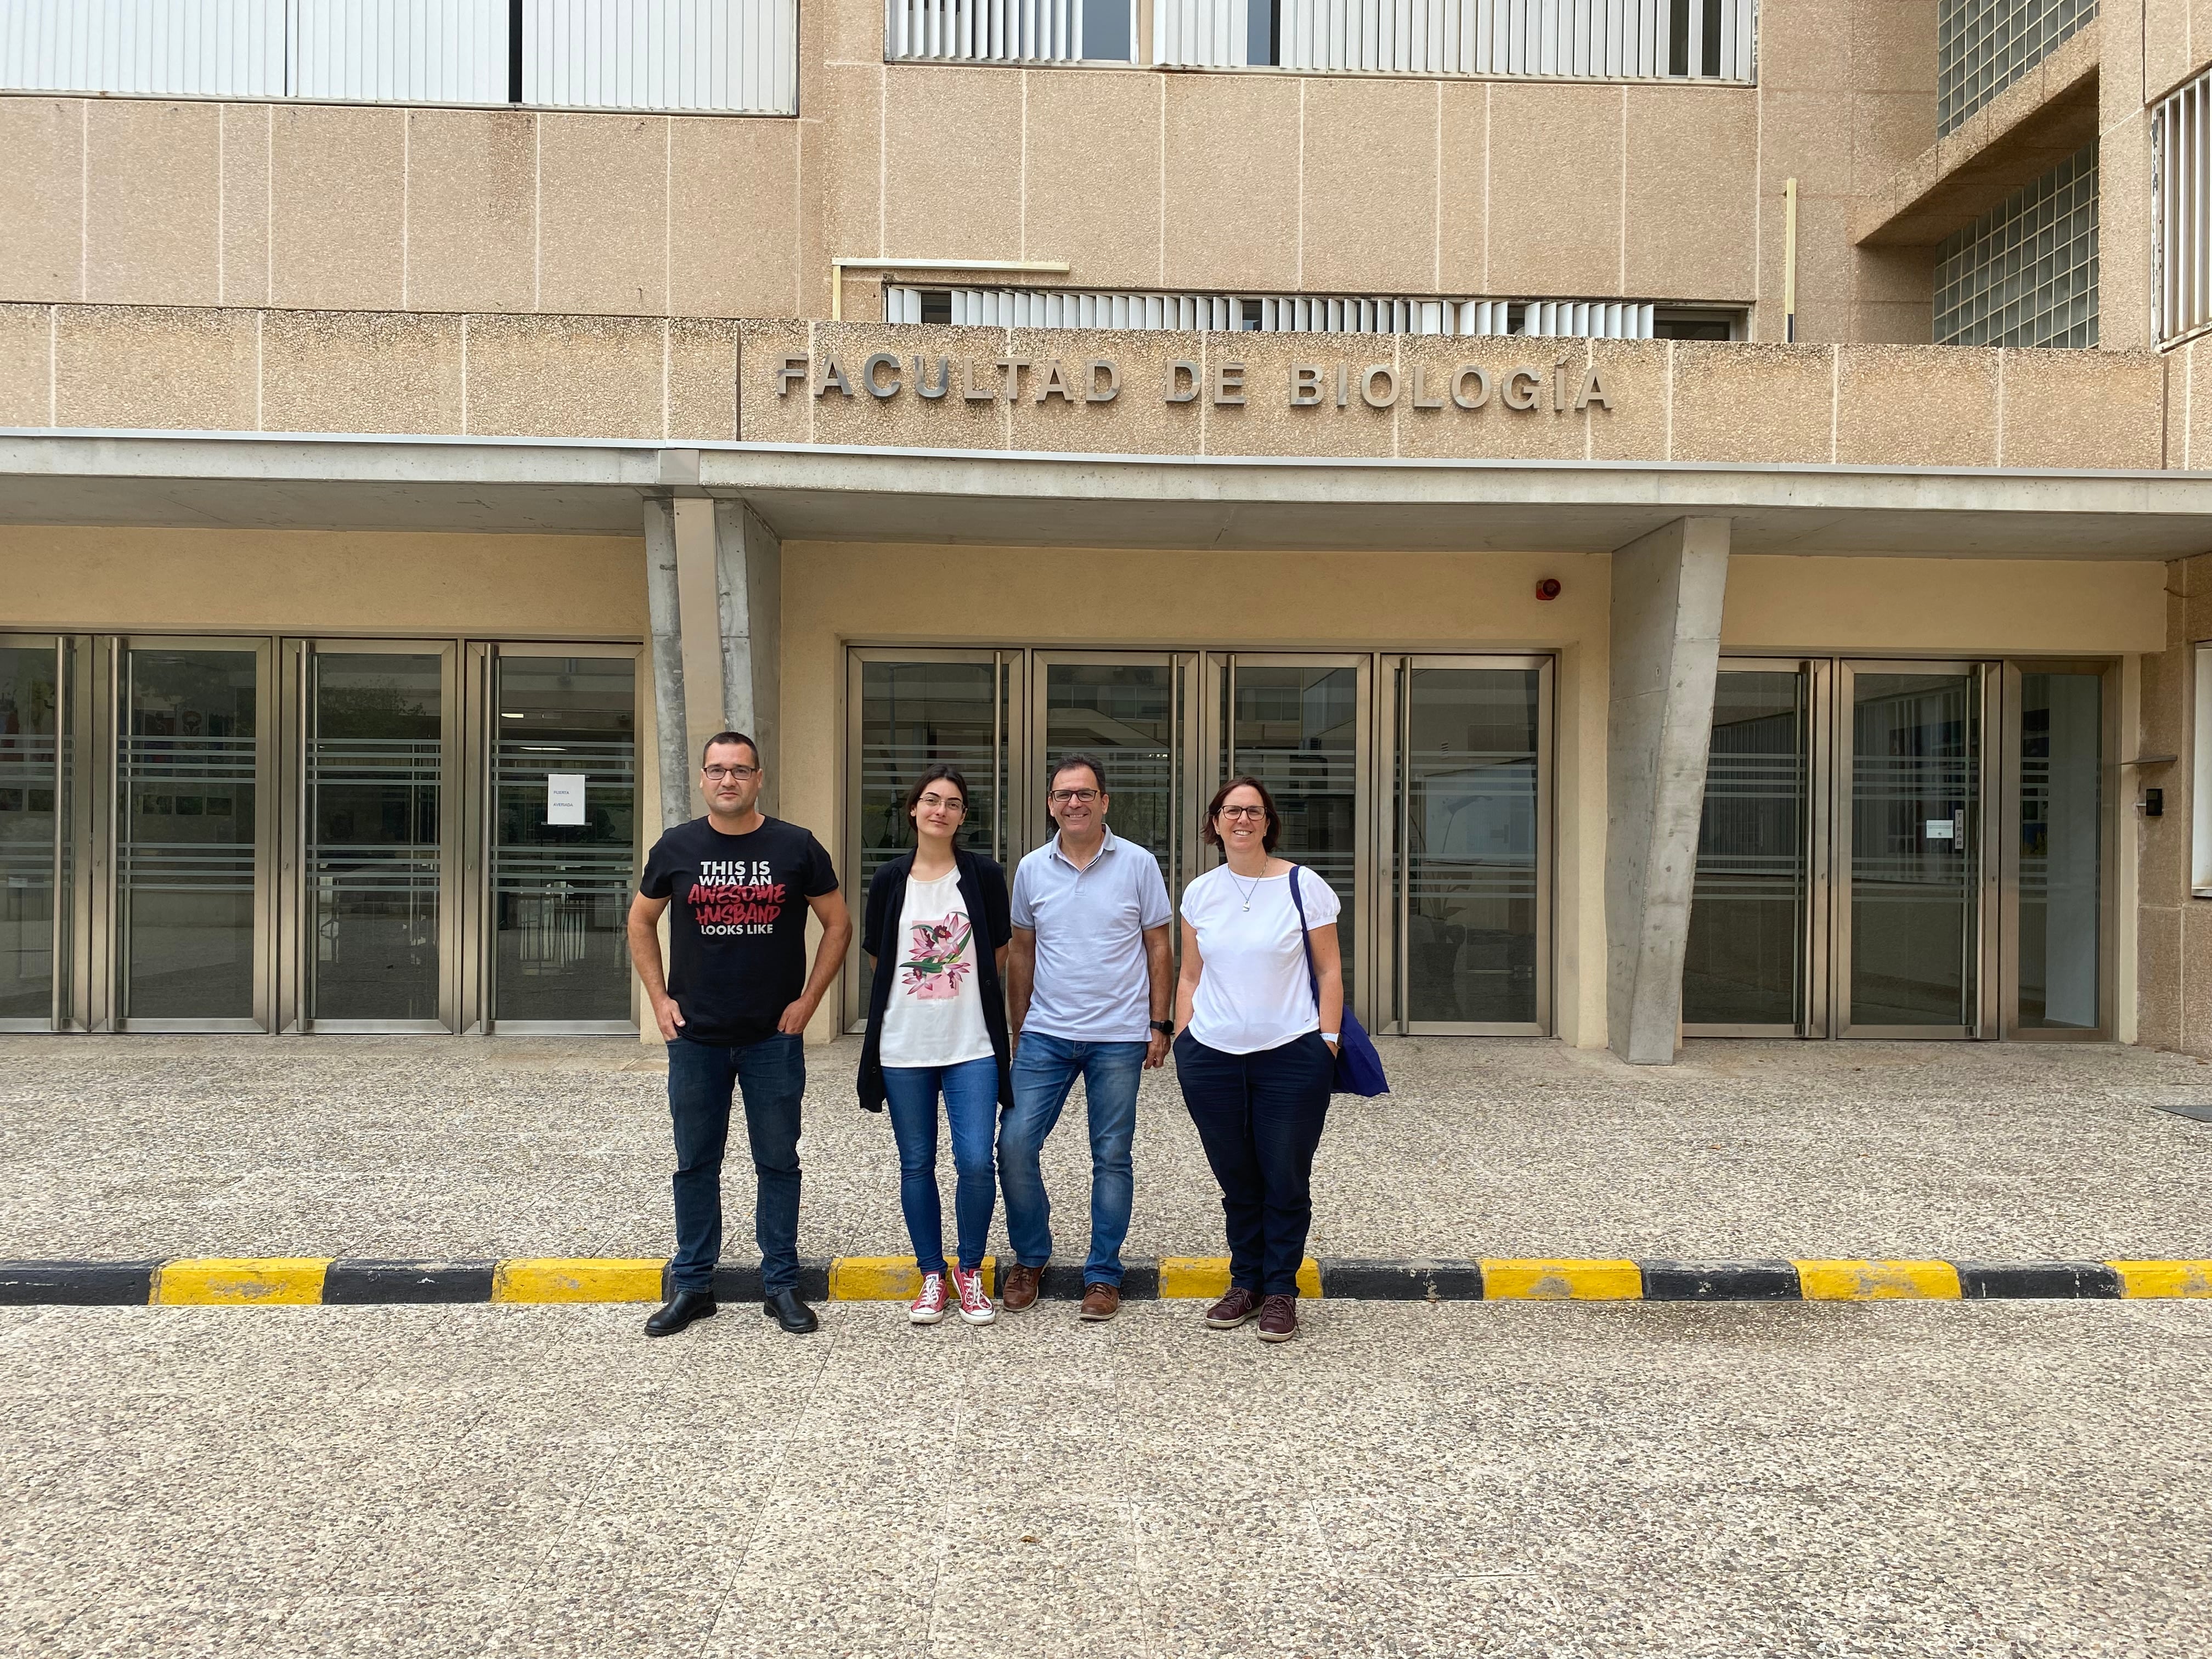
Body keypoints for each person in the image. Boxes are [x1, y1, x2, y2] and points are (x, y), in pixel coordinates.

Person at [627, 731, 851, 1339]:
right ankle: (694, 1285)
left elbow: (838, 924)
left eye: (741, 771)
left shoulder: (796, 846)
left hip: (771, 1039)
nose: (729, 781)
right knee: (695, 1163)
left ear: (759, 779)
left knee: (777, 1162)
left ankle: (780, 1283)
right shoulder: (676, 847)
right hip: (696, 1037)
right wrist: (659, 999)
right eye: (718, 771)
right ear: (703, 779)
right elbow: (641, 920)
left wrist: (810, 1001)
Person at [999, 753, 1173, 1322]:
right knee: (1016, 1145)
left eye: (1084, 793)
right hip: (1045, 1034)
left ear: (1104, 801)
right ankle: (1031, 1257)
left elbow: (1158, 946)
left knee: (1112, 1155)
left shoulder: (1139, 864)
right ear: (1050, 804)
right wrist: (1018, 1026)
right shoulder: (1031, 869)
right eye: (1062, 794)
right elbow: (1021, 949)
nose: (1073, 802)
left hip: (1119, 1037)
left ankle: (1103, 1275)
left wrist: (1158, 1022)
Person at [1171, 776, 1342, 1345]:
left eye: (1253, 811)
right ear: (1215, 823)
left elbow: (1329, 971)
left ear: (1268, 822)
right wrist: (1182, 1038)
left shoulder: (1304, 886)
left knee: (1285, 1176)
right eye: (1230, 810)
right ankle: (1244, 1282)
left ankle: (1280, 1292)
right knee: (1237, 1177)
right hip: (1211, 1057)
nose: (1241, 820)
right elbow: (1191, 973)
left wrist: (1329, 1040)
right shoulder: (1200, 893)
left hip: (1291, 1056)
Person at [855, 764, 1015, 1327]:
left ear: (962, 816)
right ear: (913, 809)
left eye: (951, 803)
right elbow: (880, 959)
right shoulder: (890, 879)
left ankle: (968, 1272)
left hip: (971, 1041)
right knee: (916, 1163)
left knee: (975, 1159)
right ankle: (931, 1274)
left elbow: (997, 952)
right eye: (930, 800)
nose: (939, 810)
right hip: (903, 1045)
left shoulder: (983, 875)